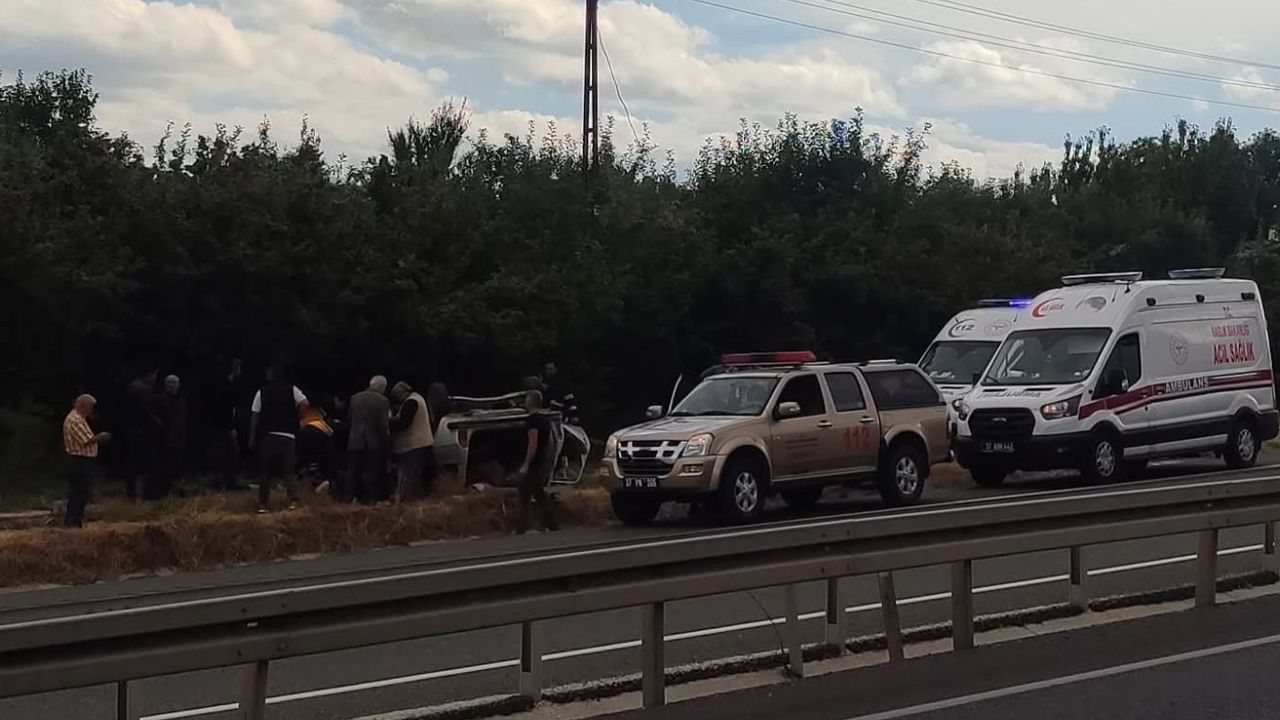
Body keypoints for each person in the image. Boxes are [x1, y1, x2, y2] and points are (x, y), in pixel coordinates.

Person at [249, 365, 308, 513]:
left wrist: (252, 436)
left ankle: (263, 504)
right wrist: (298, 418)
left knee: (265, 471)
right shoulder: (292, 390)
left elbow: (255, 415)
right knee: (288, 470)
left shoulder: (261, 392)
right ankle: (292, 501)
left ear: (271, 376)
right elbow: (304, 403)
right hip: (287, 435)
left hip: (268, 435)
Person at [63, 395, 111, 528]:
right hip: (79, 460)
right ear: (82, 405)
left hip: (80, 459)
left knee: (81, 491)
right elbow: (86, 440)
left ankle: (75, 519)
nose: (91, 411)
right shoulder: (75, 420)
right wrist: (100, 437)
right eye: (90, 407)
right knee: (79, 491)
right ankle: (73, 521)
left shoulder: (78, 419)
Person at [516, 390, 559, 533]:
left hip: (533, 464)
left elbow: (532, 443)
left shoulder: (532, 421)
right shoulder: (545, 421)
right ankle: (552, 524)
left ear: (531, 401)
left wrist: (526, 464)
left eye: (526, 399)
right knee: (539, 494)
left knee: (524, 495)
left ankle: (522, 528)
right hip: (541, 461)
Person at [345, 376, 390, 503]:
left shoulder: (355, 398)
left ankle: (349, 499)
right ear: (382, 387)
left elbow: (349, 419)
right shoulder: (383, 401)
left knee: (352, 472)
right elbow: (383, 425)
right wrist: (386, 442)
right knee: (371, 472)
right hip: (372, 442)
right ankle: (370, 500)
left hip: (354, 440)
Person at [390, 381, 436, 501]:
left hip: (413, 445)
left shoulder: (411, 402)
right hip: (424, 442)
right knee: (419, 477)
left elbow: (404, 423)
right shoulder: (418, 398)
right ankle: (419, 499)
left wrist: (389, 422)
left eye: (397, 396)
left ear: (402, 393)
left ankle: (407, 500)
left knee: (409, 476)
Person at [207, 358, 244, 491]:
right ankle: (220, 481)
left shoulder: (230, 384)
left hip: (224, 423)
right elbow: (224, 407)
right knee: (224, 453)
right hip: (222, 424)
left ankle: (228, 481)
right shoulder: (224, 385)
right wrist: (230, 426)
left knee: (229, 453)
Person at [124, 369, 160, 499]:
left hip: (133, 430)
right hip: (144, 432)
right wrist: (156, 421)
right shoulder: (145, 390)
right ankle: (143, 494)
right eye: (154, 375)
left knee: (133, 465)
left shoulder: (132, 387)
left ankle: (132, 493)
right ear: (150, 374)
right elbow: (146, 411)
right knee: (145, 465)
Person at [151, 374, 186, 500]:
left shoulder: (181, 399)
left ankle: (177, 489)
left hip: (179, 436)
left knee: (177, 465)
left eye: (174, 382)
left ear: (179, 384)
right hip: (164, 437)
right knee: (165, 465)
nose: (171, 385)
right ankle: (163, 491)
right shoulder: (159, 399)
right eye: (169, 382)